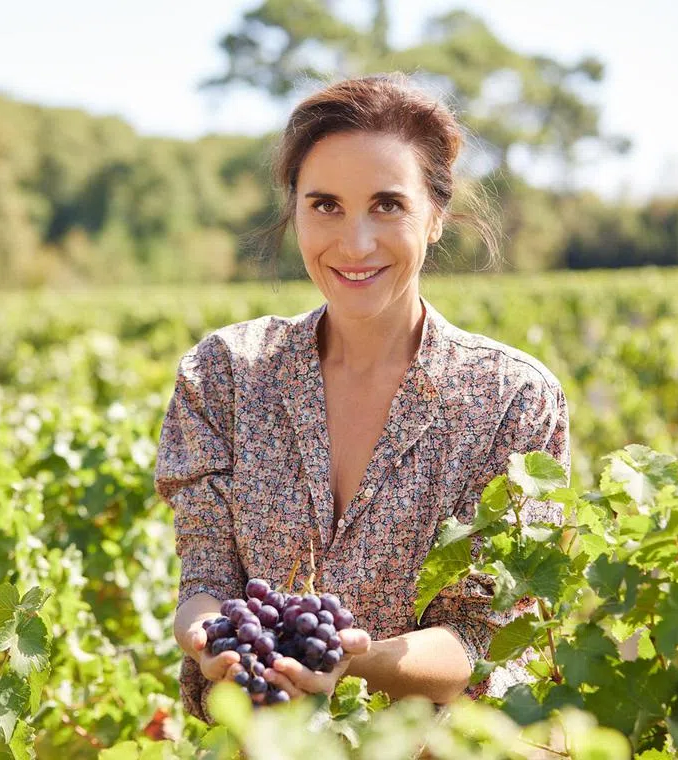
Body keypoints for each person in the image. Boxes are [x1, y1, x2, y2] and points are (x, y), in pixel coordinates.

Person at [154, 73, 570, 722]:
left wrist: (357, 663)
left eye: (387, 205)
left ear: (434, 216)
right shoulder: (225, 376)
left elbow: (480, 638)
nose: (355, 243)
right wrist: (208, 637)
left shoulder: (512, 400)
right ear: (293, 210)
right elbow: (205, 585)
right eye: (325, 205)